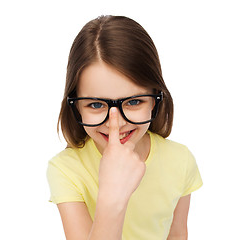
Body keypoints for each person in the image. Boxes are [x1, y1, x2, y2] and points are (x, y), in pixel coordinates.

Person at [47, 15, 203, 240]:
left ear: (155, 99)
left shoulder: (180, 160)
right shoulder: (65, 169)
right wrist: (112, 196)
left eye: (133, 102)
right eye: (96, 104)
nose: (115, 123)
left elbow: (177, 235)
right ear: (77, 106)